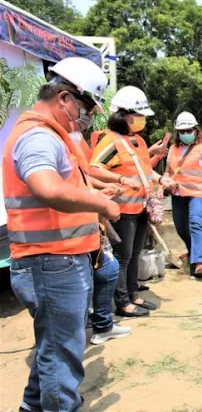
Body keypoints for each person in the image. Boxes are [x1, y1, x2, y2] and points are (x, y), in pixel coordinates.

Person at [3, 57, 120, 412]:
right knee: (61, 355)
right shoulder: (38, 135)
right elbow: (46, 187)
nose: (87, 116)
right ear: (65, 98)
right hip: (50, 262)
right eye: (85, 106)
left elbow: (66, 185)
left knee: (54, 349)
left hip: (58, 260)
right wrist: (100, 202)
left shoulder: (53, 135)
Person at [89, 86, 176, 318]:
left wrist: (161, 179)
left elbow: (144, 172)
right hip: (122, 209)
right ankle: (123, 302)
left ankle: (133, 294)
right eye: (138, 115)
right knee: (123, 256)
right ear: (123, 115)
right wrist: (120, 179)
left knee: (134, 254)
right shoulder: (110, 140)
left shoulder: (137, 140)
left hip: (139, 208)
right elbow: (94, 169)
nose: (141, 120)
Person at [70, 131, 132, 345]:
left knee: (108, 269)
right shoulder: (51, 145)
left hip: (89, 226)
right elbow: (66, 192)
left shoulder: (74, 147)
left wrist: (101, 192)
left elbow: (84, 182)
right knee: (88, 279)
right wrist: (101, 201)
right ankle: (85, 327)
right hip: (69, 233)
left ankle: (102, 324)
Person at [165, 111, 202, 277]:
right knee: (180, 227)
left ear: (195, 130)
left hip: (197, 193)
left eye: (189, 130)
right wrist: (164, 182)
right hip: (178, 193)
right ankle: (192, 250)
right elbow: (167, 171)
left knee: (196, 223)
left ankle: (200, 262)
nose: (186, 134)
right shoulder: (173, 149)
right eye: (182, 131)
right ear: (177, 132)